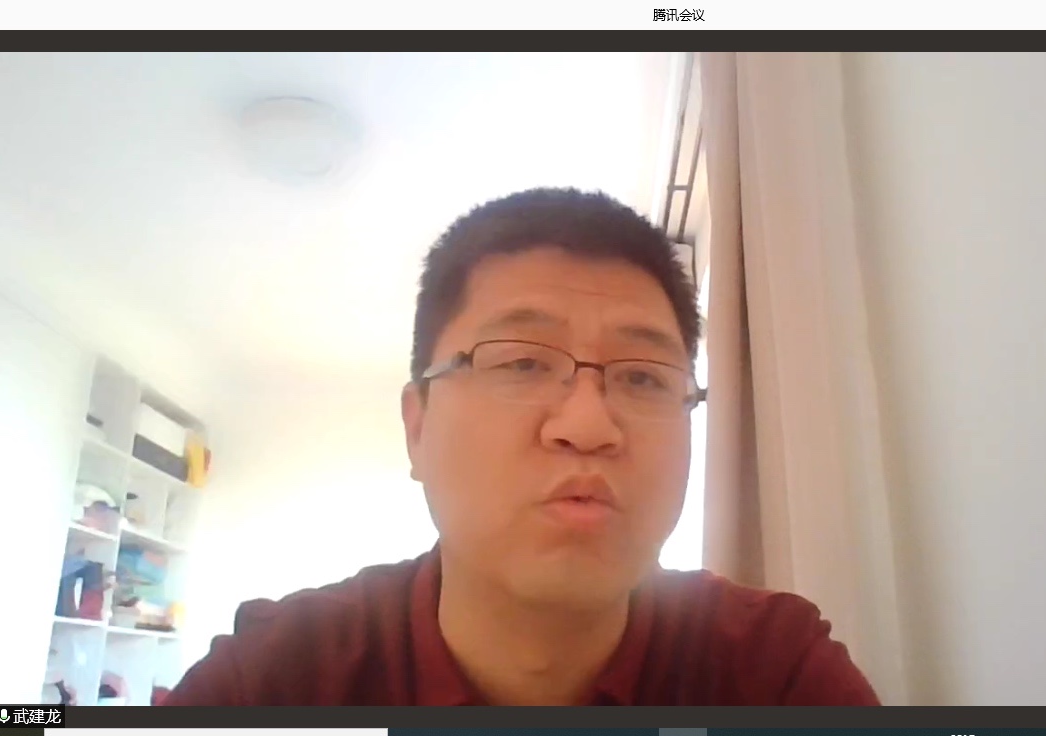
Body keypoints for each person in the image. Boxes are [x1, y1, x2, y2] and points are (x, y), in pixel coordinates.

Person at [163, 188, 880, 706]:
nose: (589, 426)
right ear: (417, 427)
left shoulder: (773, 676)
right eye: (523, 363)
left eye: (643, 377)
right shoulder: (277, 681)